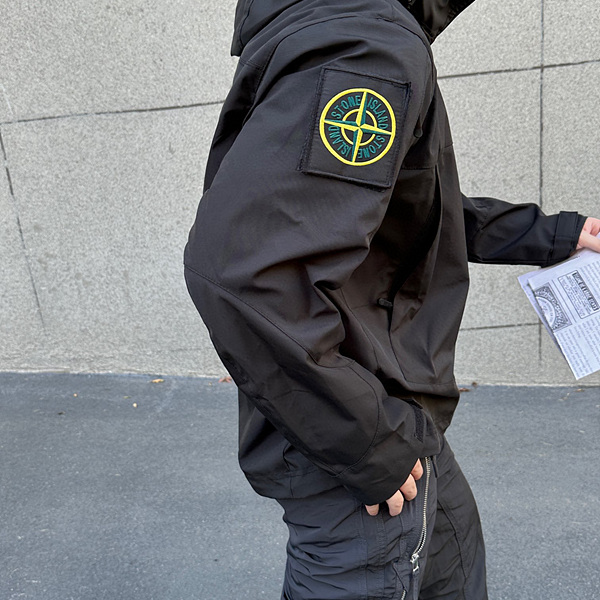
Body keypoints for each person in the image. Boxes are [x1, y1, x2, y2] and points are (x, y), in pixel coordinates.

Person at [184, 0, 600, 597]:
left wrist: (554, 236)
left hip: (384, 409)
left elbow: (401, 209)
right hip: (357, 438)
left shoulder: (348, 28)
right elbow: (242, 273)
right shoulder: (365, 46)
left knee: (454, 549)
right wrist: (371, 446)